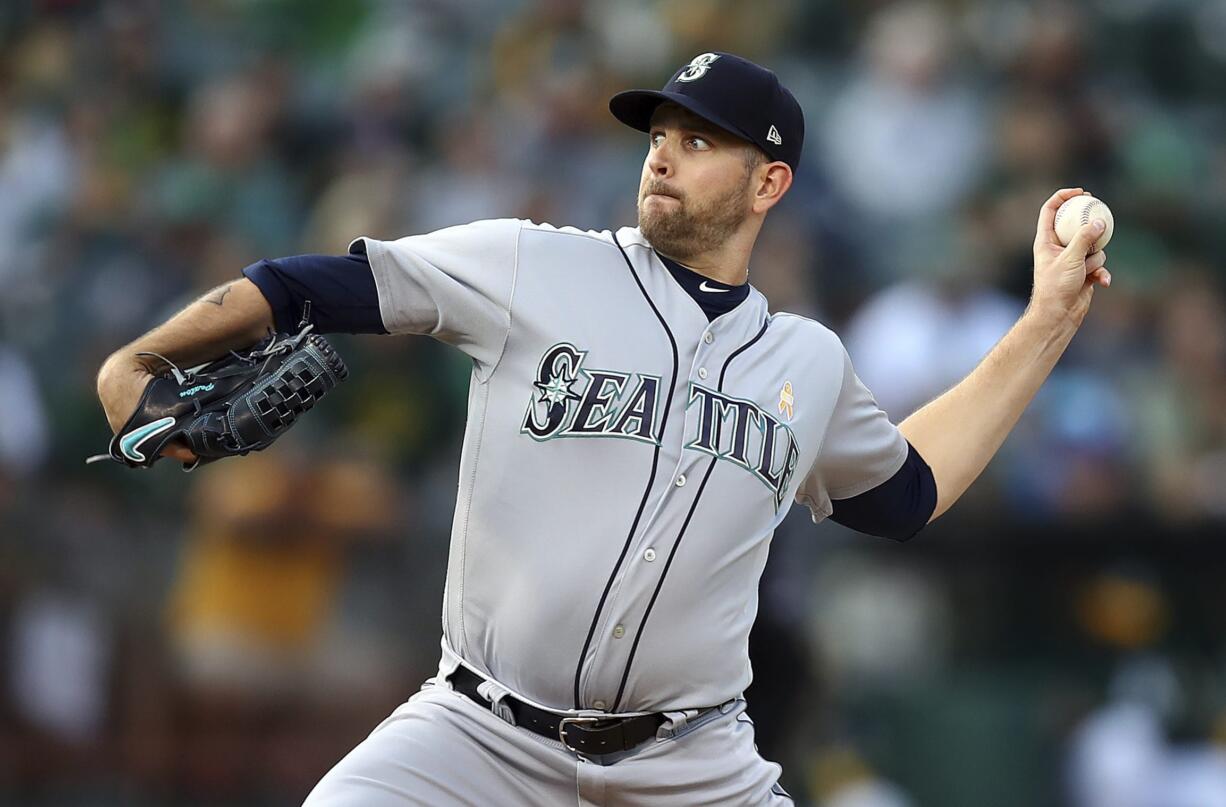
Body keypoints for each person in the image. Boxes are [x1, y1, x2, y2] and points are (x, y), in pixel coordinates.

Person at [95, 52, 1111, 805]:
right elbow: (304, 285)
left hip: (693, 764)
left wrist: (1045, 319)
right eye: (659, 134)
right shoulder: (534, 265)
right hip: (477, 738)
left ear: (770, 182)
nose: (664, 155)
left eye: (699, 139)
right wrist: (135, 364)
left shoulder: (805, 360)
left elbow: (904, 494)